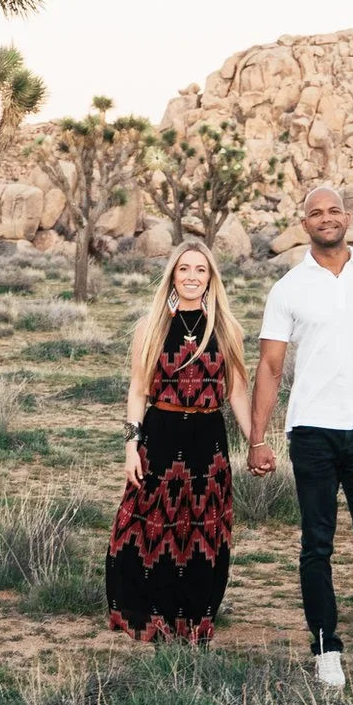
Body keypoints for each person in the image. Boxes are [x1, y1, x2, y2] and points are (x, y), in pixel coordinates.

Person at [246, 185, 353, 690]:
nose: (326, 218)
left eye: (334, 210)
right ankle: (326, 650)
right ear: (305, 225)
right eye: (316, 213)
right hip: (311, 431)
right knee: (316, 546)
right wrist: (257, 437)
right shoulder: (289, 288)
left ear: (347, 218)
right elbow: (270, 366)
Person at [106, 242, 255, 641]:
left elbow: (237, 392)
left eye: (200, 270)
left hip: (208, 439)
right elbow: (138, 390)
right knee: (151, 524)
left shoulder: (226, 328)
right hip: (161, 432)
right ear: (173, 275)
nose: (192, 276)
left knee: (204, 529)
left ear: (211, 278)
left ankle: (195, 616)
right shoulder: (150, 327)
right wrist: (131, 446)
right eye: (184, 269)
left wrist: (255, 442)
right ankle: (151, 612)